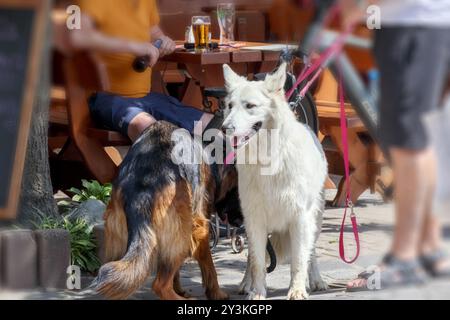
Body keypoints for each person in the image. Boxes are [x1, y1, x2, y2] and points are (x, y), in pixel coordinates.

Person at [339, 0, 450, 290]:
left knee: (408, 141)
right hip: (417, 23)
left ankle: (405, 259)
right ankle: (429, 247)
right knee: (415, 137)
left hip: (414, 23)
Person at [70, 0, 214, 142]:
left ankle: (214, 164)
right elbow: (78, 36)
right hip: (103, 98)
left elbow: (154, 32)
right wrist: (134, 46)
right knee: (151, 130)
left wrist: (163, 41)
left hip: (145, 98)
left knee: (210, 125)